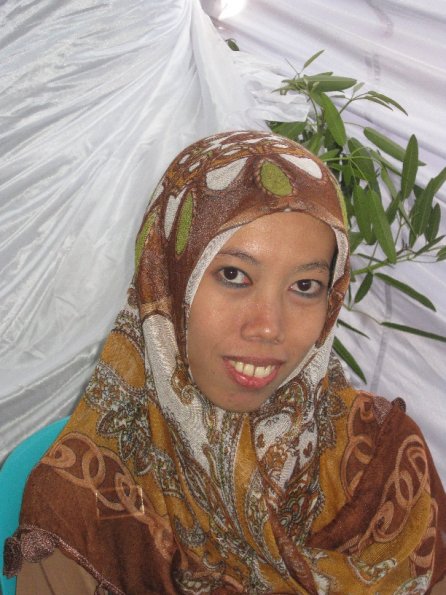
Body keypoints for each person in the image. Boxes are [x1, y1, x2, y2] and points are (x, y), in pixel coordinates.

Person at [4, 131, 446, 594]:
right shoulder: (86, 505)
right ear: (167, 281)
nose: (268, 326)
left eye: (305, 286)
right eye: (233, 275)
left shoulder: (385, 462)